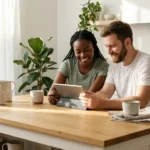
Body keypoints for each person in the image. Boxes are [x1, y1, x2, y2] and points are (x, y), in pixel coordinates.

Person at [80, 21, 150, 109]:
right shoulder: (114, 64)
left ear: (127, 42)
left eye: (112, 46)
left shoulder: (146, 62)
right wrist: (91, 97)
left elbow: (141, 100)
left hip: (145, 119)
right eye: (107, 47)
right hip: (125, 117)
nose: (109, 52)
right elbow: (105, 92)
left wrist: (102, 103)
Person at [48, 30, 108, 105]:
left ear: (94, 48)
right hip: (69, 108)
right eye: (78, 52)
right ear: (74, 52)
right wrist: (52, 95)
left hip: (91, 111)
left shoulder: (103, 67)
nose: (82, 55)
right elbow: (53, 89)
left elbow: (88, 97)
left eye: (86, 50)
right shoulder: (67, 65)